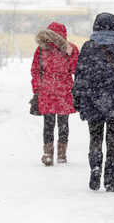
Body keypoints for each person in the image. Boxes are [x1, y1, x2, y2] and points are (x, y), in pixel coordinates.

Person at [72, 12, 114, 192]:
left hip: (93, 99)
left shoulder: (88, 47)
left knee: (95, 138)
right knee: (113, 141)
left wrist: (78, 96)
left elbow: (80, 74)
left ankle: (95, 169)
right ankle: (110, 180)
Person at [31, 22, 79, 166]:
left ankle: (49, 154)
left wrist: (37, 88)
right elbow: (75, 69)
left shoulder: (41, 49)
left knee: (49, 123)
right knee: (60, 123)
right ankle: (59, 155)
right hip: (61, 89)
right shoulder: (69, 48)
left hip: (51, 90)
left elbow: (35, 71)